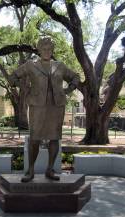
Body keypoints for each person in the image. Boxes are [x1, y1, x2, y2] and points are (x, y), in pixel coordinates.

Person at [9, 37, 80, 182]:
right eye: (44, 49)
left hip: (56, 106)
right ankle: (30, 170)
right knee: (34, 139)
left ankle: (50, 170)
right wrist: (26, 88)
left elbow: (75, 77)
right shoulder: (30, 65)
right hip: (37, 106)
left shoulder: (60, 66)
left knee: (54, 138)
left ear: (52, 50)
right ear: (39, 50)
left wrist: (68, 90)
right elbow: (13, 77)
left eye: (49, 49)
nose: (47, 51)